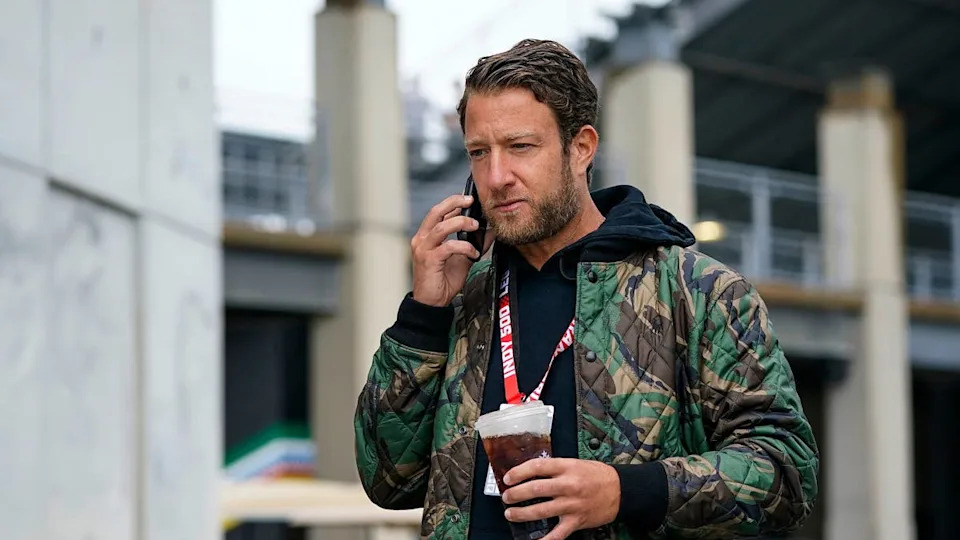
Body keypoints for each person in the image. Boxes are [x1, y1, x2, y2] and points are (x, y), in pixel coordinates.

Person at [354, 39, 819, 539]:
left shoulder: (699, 291)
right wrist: (424, 314)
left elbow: (786, 473)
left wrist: (626, 491)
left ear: (581, 148)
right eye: (478, 153)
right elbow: (388, 482)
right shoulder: (463, 298)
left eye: (520, 147)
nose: (496, 176)